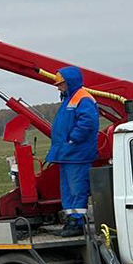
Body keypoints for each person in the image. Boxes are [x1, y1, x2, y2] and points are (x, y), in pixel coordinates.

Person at [44, 66, 99, 237]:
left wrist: (72, 139)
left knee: (77, 189)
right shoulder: (71, 99)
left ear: (69, 82)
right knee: (67, 190)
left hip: (77, 154)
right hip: (68, 154)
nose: (58, 87)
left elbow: (88, 122)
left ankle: (77, 221)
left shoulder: (82, 98)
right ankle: (71, 220)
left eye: (61, 84)